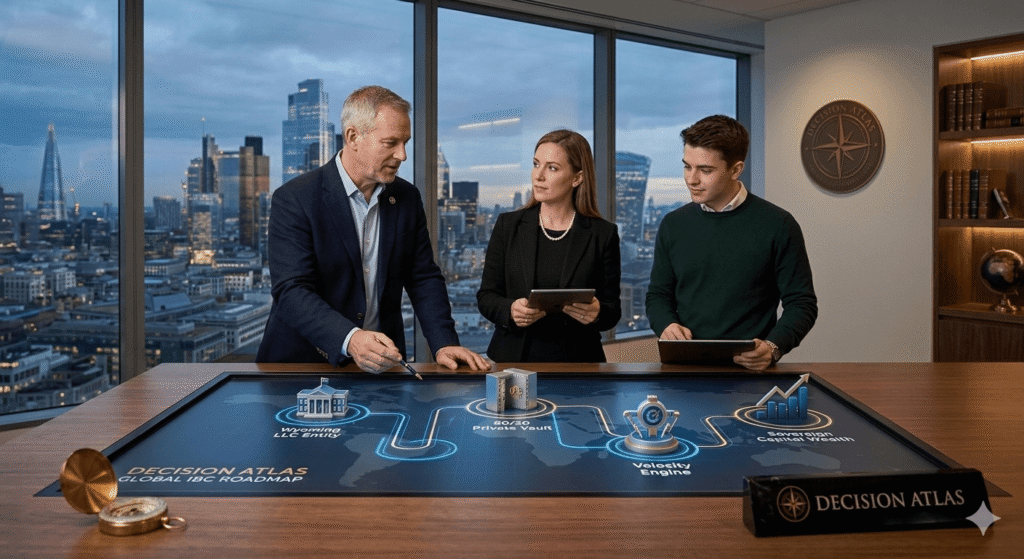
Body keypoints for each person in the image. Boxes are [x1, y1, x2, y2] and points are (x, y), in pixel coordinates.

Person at [257, 85, 488, 374]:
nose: (402, 155)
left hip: (382, 366)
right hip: (303, 365)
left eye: (405, 142)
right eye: (390, 143)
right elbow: (291, 291)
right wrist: (350, 339)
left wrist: (443, 342)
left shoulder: (407, 197)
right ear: (353, 137)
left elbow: (423, 276)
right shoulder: (295, 198)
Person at [645, 115, 817, 371]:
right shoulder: (673, 224)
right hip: (682, 372)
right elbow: (658, 296)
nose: (691, 179)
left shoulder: (778, 224)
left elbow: (802, 304)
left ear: (736, 169)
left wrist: (772, 347)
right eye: (686, 166)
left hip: (750, 374)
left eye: (705, 170)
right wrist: (666, 325)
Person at [477, 129, 621, 362]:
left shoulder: (602, 234)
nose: (538, 176)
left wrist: (597, 312)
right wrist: (511, 310)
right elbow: (486, 296)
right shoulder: (508, 225)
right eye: (536, 164)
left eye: (552, 168)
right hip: (513, 362)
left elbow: (612, 310)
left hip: (579, 363)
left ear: (577, 178)